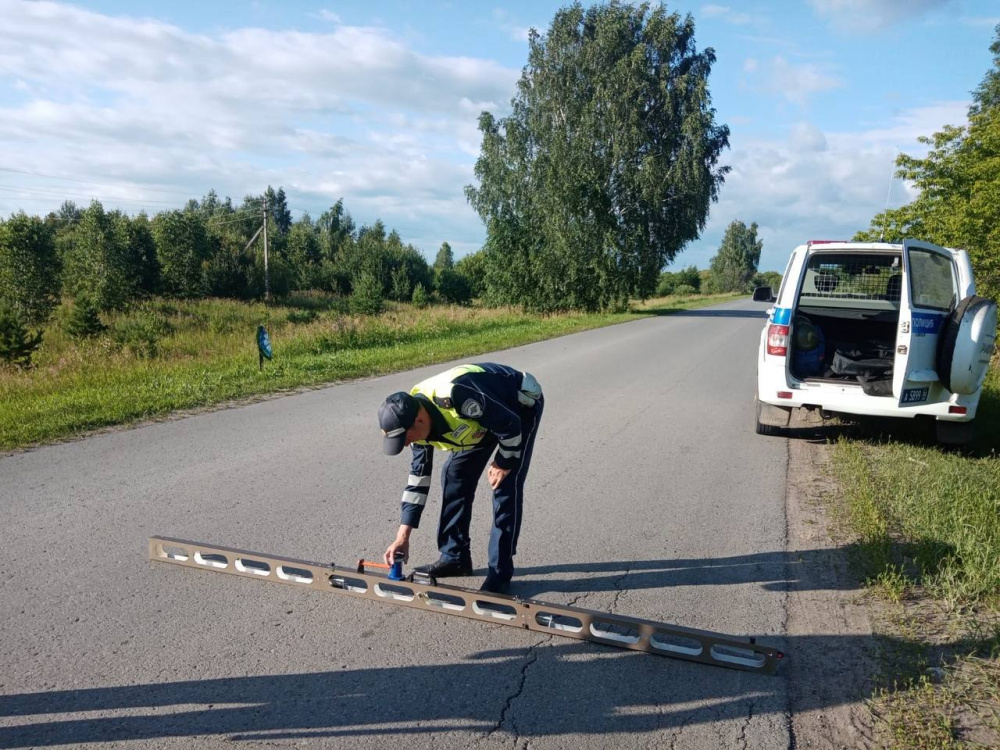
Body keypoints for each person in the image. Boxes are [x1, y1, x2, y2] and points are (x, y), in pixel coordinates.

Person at [378, 363, 544, 594]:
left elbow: (510, 425)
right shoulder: (415, 425)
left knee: (505, 486)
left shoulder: (456, 396)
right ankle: (455, 557)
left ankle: (500, 573)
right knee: (455, 476)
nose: (405, 445)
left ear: (419, 420)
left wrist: (503, 462)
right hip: (480, 422)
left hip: (517, 406)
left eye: (404, 439)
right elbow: (418, 481)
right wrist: (401, 537)